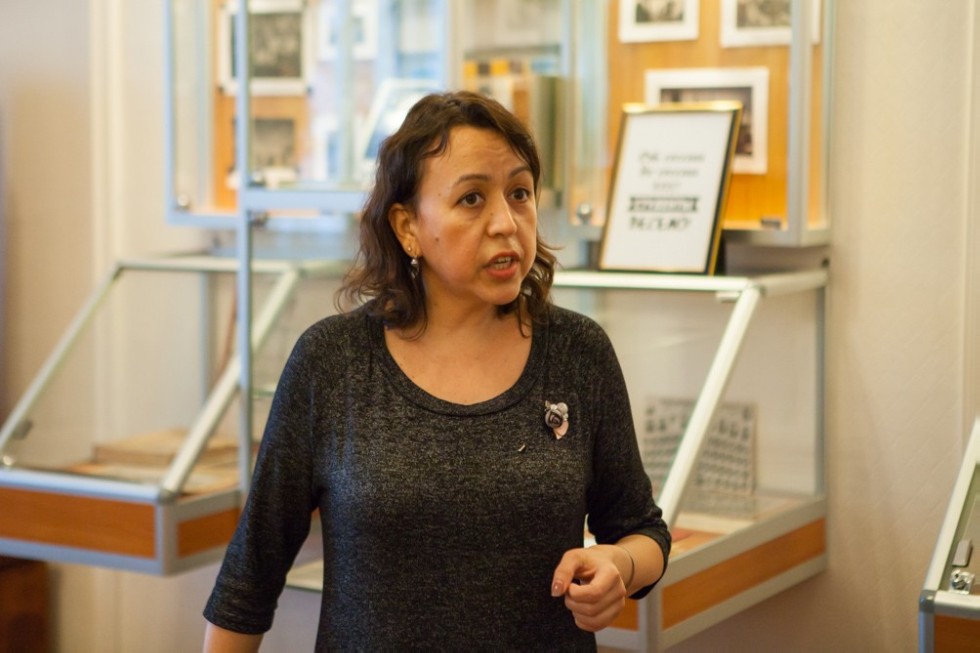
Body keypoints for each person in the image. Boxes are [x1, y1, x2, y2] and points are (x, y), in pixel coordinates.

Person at [202, 90, 671, 651]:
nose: (506, 223)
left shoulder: (578, 352)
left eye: (519, 193)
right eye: (472, 199)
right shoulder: (333, 361)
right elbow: (250, 574)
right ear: (408, 227)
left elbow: (643, 532)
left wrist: (619, 564)